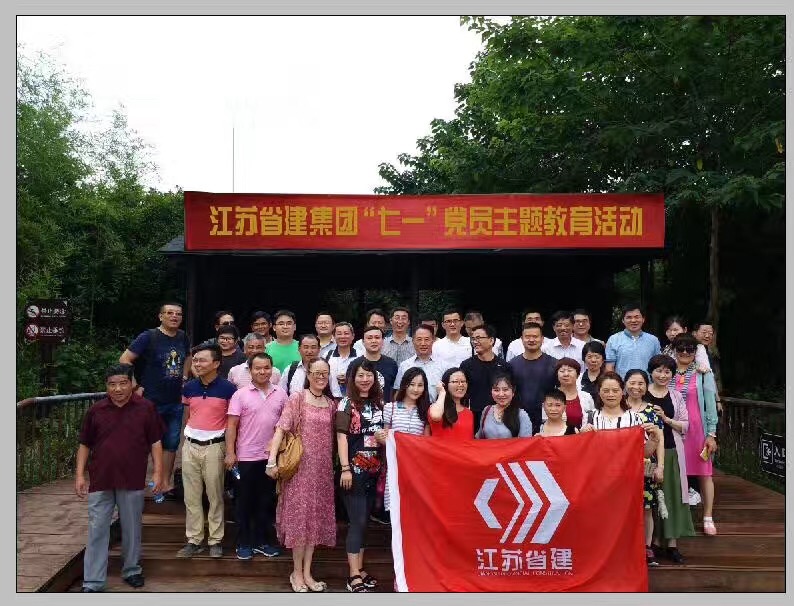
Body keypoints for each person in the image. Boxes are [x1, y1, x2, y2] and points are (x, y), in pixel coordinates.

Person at [76, 364, 163, 592]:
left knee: (132, 528)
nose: (118, 389)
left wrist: (158, 473)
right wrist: (79, 475)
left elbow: (155, 441)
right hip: (100, 479)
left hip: (132, 478)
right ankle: (93, 581)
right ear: (106, 386)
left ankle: (132, 570)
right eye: (112, 384)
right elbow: (84, 444)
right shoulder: (96, 410)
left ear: (131, 383)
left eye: (123, 383)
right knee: (97, 529)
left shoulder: (146, 408)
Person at [266, 358, 336, 593]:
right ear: (308, 374)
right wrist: (271, 460)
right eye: (316, 372)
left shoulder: (330, 403)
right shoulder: (297, 398)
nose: (320, 377)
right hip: (299, 470)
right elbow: (281, 429)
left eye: (324, 373)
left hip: (322, 472)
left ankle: (307, 573)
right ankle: (296, 573)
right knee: (299, 522)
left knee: (313, 522)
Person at [119, 302, 191, 496]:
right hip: (150, 400)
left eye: (178, 314)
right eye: (170, 313)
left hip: (174, 399)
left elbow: (188, 356)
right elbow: (125, 359)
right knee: (142, 442)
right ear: (161, 316)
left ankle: (164, 484)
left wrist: (184, 377)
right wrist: (134, 386)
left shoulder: (183, 337)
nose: (174, 316)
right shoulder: (148, 336)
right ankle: (136, 482)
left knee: (171, 442)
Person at [176, 344, 237, 559]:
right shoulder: (189, 387)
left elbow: (232, 422)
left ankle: (215, 539)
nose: (197, 364)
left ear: (216, 363)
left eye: (202, 360)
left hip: (215, 446)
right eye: (195, 360)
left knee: (215, 494)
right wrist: (183, 443)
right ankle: (194, 539)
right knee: (191, 496)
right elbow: (186, 416)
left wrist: (230, 451)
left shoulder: (229, 389)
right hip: (191, 445)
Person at [225, 353, 287, 560]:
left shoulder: (281, 393)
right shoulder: (240, 395)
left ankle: (262, 542)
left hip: (271, 458)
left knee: (266, 501)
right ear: (250, 371)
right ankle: (244, 542)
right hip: (246, 457)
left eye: (266, 367)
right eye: (258, 368)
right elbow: (231, 426)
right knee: (244, 501)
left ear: (272, 369)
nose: (262, 372)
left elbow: (285, 425)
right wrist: (230, 452)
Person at [336, 358, 386, 593]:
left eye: (369, 375)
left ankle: (360, 568)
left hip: (374, 472)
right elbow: (341, 437)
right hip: (353, 472)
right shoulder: (346, 403)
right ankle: (353, 575)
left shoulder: (379, 403)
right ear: (352, 378)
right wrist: (345, 468)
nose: (365, 380)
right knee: (356, 521)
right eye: (360, 375)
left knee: (365, 521)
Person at [645, 354, 694, 565]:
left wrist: (665, 419)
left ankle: (672, 544)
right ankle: (653, 542)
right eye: (658, 370)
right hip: (646, 453)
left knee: (671, 497)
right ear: (651, 372)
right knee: (649, 500)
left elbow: (686, 425)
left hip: (671, 451)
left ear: (672, 375)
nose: (662, 375)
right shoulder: (641, 392)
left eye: (667, 372)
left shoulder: (676, 396)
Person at [670, 333, 719, 536]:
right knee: (674, 472)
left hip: (697, 431)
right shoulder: (667, 371)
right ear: (674, 350)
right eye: (680, 348)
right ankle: (676, 517)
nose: (684, 352)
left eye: (689, 349)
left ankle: (708, 516)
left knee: (704, 473)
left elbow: (710, 405)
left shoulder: (703, 373)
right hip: (672, 428)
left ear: (695, 351)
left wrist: (711, 434)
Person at [624, 369, 666, 566]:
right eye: (632, 383)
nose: (636, 387)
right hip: (621, 467)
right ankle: (625, 548)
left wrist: (661, 466)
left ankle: (646, 547)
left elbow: (660, 439)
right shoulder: (618, 407)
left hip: (646, 465)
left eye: (641, 383)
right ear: (625, 384)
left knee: (646, 507)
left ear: (646, 386)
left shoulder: (652, 410)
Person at [379, 368, 431, 513]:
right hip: (395, 466)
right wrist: (380, 437)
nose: (416, 389)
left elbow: (426, 441)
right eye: (412, 384)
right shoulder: (390, 408)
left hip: (416, 467)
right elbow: (385, 437)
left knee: (414, 509)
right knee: (395, 508)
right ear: (404, 385)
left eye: (420, 385)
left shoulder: (426, 410)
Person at [508, 322, 557, 434]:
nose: (531, 340)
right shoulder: (512, 365)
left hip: (547, 419)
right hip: (518, 419)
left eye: (535, 336)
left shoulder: (554, 364)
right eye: (527, 337)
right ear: (521, 339)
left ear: (542, 339)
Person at [460, 324, 510, 432]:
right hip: (474, 418)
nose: (475, 342)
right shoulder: (466, 366)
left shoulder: (504, 366)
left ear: (491, 340)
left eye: (479, 338)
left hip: (500, 417)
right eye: (473, 339)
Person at [393, 324, 451, 402]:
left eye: (427, 339)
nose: (423, 343)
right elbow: (398, 393)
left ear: (433, 340)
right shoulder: (405, 366)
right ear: (413, 341)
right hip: (412, 408)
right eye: (419, 339)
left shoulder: (444, 366)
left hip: (437, 408)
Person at [605, 304, 661, 380]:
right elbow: (609, 368)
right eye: (629, 317)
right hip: (622, 385)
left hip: (646, 385)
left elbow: (657, 366)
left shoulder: (653, 340)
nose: (633, 320)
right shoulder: (613, 339)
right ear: (623, 320)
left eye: (637, 317)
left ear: (643, 319)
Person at [476, 373, 532, 438]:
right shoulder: (487, 410)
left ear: (513, 392)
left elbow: (526, 443)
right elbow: (479, 437)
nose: (501, 394)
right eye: (496, 390)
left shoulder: (521, 415)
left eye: (505, 389)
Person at [427, 367, 474, 440]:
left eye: (463, 381)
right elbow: (435, 416)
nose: (460, 384)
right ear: (445, 385)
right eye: (455, 381)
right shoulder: (436, 408)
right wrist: (442, 393)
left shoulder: (469, 413)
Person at [549, 357, 594, 432]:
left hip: (583, 438)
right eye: (562, 371)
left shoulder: (586, 397)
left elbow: (593, 420)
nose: (566, 374)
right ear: (557, 375)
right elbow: (544, 424)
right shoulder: (550, 397)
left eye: (570, 371)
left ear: (578, 375)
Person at [356, 325, 398, 398]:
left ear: (383, 341)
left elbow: (395, 390)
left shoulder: (392, 364)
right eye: (369, 338)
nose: (374, 341)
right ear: (363, 342)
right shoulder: (355, 364)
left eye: (377, 337)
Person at [328, 322, 357, 398]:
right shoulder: (327, 356)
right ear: (333, 336)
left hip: (354, 400)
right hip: (331, 400)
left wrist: (349, 378)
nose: (343, 336)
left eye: (346, 333)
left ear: (353, 336)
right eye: (339, 334)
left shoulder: (360, 356)